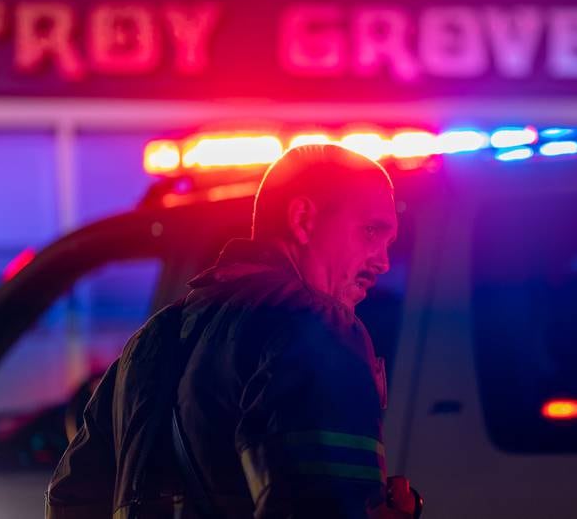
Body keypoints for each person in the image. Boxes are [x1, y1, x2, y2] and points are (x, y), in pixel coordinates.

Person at [45, 144, 421, 518]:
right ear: (304, 219)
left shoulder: (150, 341)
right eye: (371, 231)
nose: (384, 262)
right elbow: (321, 506)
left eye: (389, 244)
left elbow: (70, 500)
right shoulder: (317, 326)